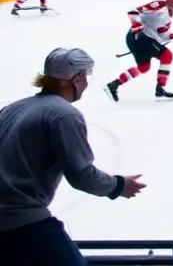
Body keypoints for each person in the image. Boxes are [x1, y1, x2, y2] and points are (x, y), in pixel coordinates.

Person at [0, 48, 146, 266]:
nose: (86, 83)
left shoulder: (13, 109)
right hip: (22, 221)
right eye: (86, 76)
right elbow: (81, 175)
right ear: (75, 79)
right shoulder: (63, 115)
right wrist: (119, 185)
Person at [105, 0, 173, 101]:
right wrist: (137, 26)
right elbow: (133, 12)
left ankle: (114, 85)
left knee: (143, 68)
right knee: (167, 55)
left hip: (140, 40)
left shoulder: (168, 14)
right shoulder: (158, 6)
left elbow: (162, 35)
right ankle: (160, 88)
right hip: (141, 38)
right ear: (170, 0)